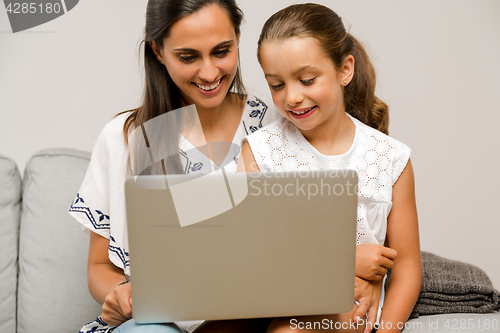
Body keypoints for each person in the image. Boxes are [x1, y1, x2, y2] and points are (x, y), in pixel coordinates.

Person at [68, 0, 281, 332]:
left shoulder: (277, 128)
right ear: (157, 51)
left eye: (222, 51)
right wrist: (122, 294)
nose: (209, 73)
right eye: (188, 57)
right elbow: (98, 266)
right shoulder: (125, 139)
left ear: (238, 38)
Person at [238, 3, 422, 333]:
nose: (292, 97)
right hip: (285, 301)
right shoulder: (260, 152)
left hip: (355, 314)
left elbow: (408, 264)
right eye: (276, 85)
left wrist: (387, 329)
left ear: (345, 69)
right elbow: (253, 253)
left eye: (307, 80)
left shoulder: (391, 158)